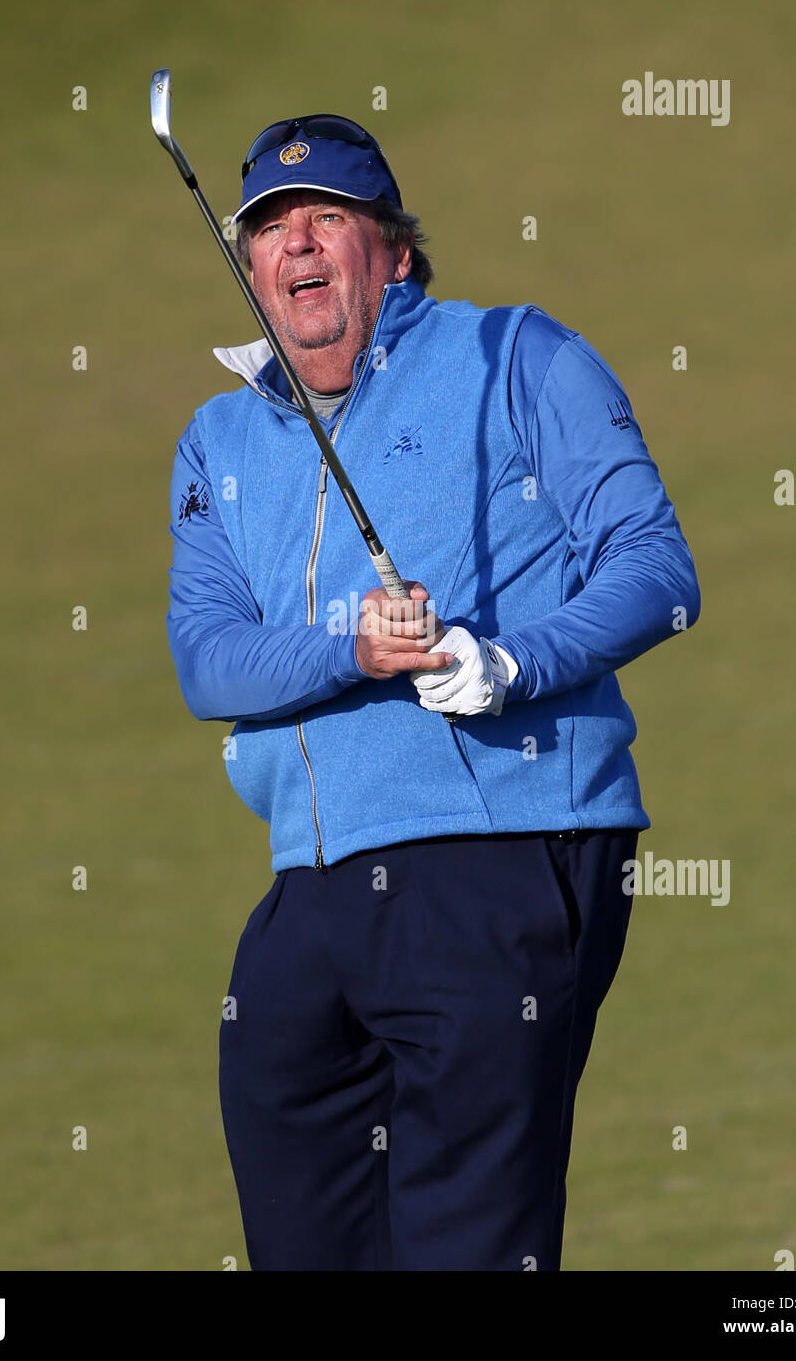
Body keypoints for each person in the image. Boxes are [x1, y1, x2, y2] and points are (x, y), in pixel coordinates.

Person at [165, 113, 701, 1271]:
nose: (297, 245)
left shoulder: (518, 355)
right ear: (248, 265)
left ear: (394, 251)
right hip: (308, 886)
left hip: (503, 854)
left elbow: (657, 571)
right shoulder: (217, 438)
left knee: (464, 1244)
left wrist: (507, 662)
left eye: (329, 220)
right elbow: (206, 659)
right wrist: (349, 650)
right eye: (269, 227)